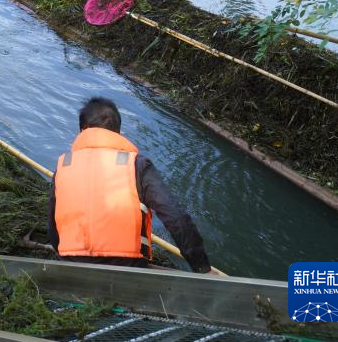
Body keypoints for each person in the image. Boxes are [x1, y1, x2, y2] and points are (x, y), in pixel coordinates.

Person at [47, 97, 216, 274]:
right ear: (117, 132)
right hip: (127, 266)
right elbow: (176, 218)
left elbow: (52, 223)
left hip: (70, 261)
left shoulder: (64, 166)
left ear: (82, 130)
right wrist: (202, 268)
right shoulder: (137, 165)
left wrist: (64, 255)